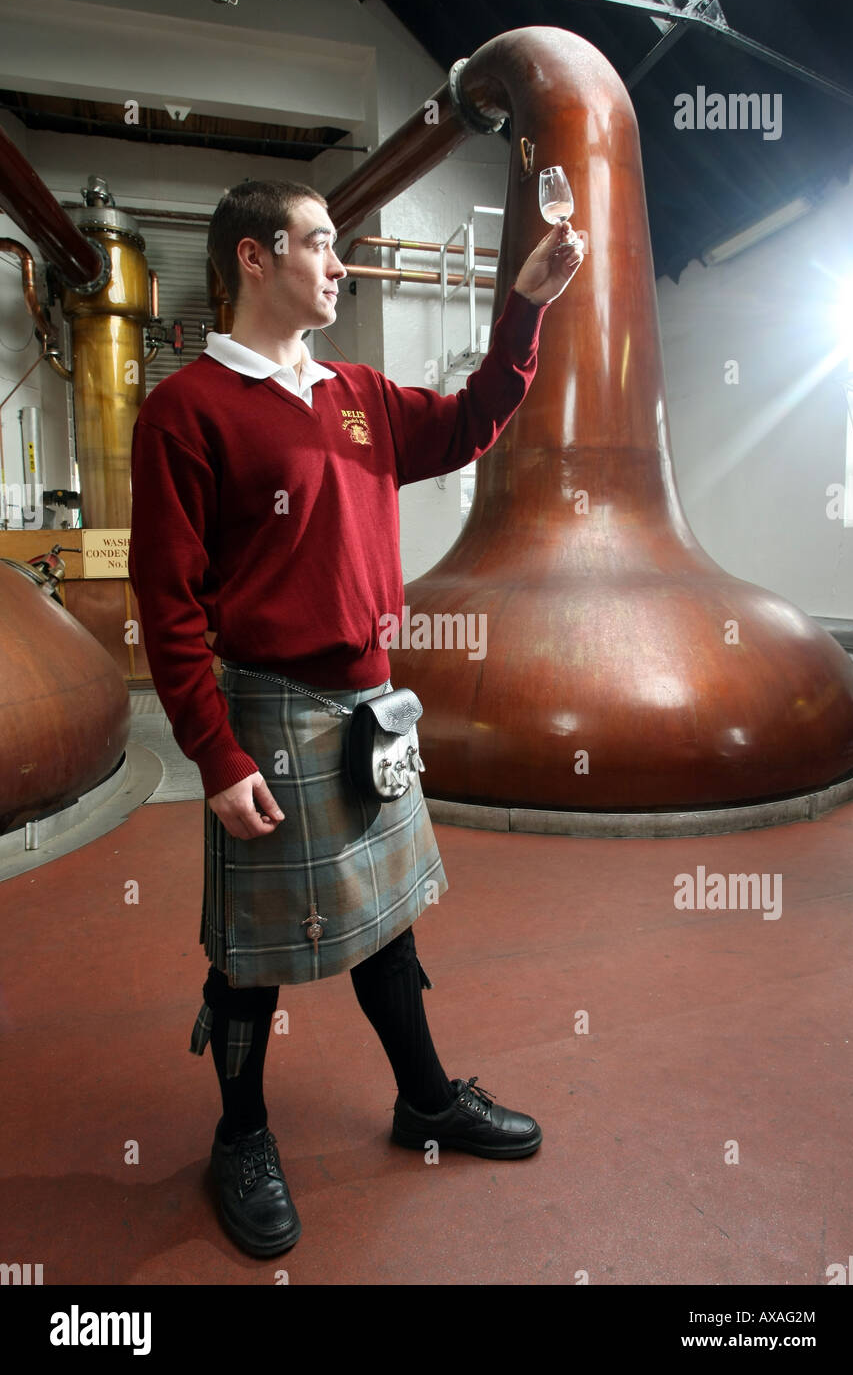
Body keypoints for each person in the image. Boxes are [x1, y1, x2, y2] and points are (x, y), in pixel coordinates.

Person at [128, 178, 583, 1259]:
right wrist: (214, 750)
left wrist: (524, 306)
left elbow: (472, 423)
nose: (338, 264)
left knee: (385, 918)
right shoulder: (186, 409)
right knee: (251, 953)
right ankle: (238, 1135)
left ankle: (423, 1098)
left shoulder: (356, 393)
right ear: (253, 256)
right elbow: (166, 600)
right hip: (269, 710)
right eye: (321, 244)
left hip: (371, 704)